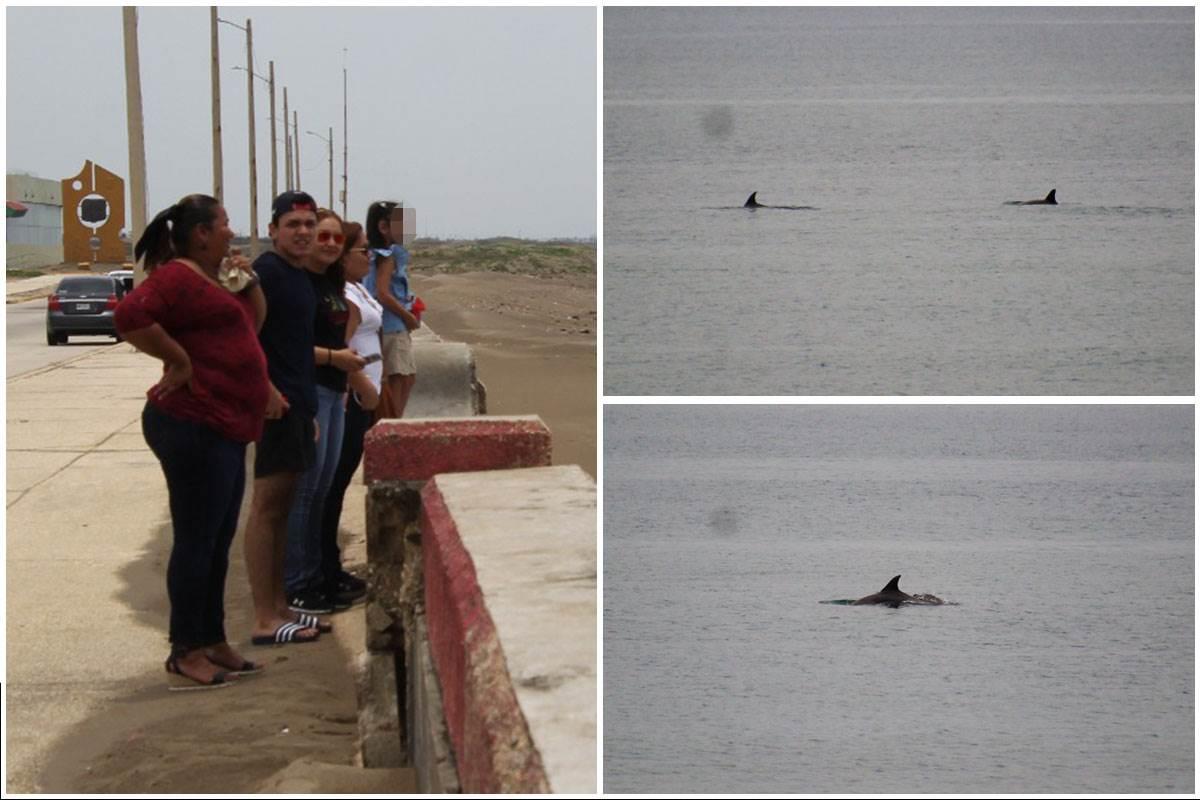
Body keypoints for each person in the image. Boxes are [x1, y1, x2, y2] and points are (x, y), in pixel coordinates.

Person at [114, 194, 273, 689]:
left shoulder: (212, 280)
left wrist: (247, 284)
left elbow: (252, 327)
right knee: (196, 541)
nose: (231, 231)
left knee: (218, 539)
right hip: (191, 423)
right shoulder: (177, 277)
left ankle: (213, 639)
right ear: (201, 232)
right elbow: (129, 317)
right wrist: (179, 361)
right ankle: (185, 650)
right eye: (224, 224)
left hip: (224, 426)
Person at [243, 190, 327, 646]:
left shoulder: (297, 276)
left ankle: (280, 607)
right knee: (266, 509)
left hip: (298, 407)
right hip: (276, 408)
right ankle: (263, 617)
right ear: (273, 229)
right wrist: (268, 391)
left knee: (283, 510)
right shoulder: (267, 275)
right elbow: (244, 339)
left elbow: (293, 348)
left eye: (309, 224)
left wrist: (308, 411)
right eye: (293, 225)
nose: (303, 232)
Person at [283, 209, 366, 614]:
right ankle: (298, 584)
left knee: (324, 490)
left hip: (335, 393)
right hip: (310, 391)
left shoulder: (332, 282)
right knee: (305, 492)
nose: (330, 244)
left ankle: (319, 575)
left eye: (337, 239)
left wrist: (344, 376)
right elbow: (284, 345)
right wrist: (335, 358)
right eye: (323, 236)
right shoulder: (296, 283)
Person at [319, 221, 381, 607]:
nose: (369, 256)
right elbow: (340, 349)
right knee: (331, 488)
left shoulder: (357, 288)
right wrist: (365, 390)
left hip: (363, 398)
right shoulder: (344, 295)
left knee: (336, 487)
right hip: (355, 399)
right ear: (344, 258)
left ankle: (331, 566)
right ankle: (325, 570)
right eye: (363, 251)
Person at [364, 201, 420, 418]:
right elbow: (383, 293)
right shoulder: (387, 256)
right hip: (392, 327)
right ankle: (391, 435)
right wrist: (408, 317)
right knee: (400, 381)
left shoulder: (370, 254)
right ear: (384, 227)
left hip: (381, 327)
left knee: (400, 380)